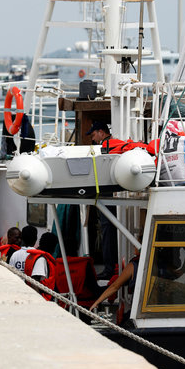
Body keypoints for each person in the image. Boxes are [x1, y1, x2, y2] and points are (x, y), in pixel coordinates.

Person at [86, 120, 118, 280]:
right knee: (109, 230)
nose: (93, 139)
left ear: (101, 132)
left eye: (93, 135)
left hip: (108, 193)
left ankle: (109, 268)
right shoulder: (112, 144)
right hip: (110, 192)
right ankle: (112, 266)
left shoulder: (107, 147)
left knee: (107, 230)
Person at [25, 232, 59, 300]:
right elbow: (34, 282)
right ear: (51, 246)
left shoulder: (34, 256)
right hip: (42, 298)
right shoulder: (41, 260)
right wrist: (40, 302)